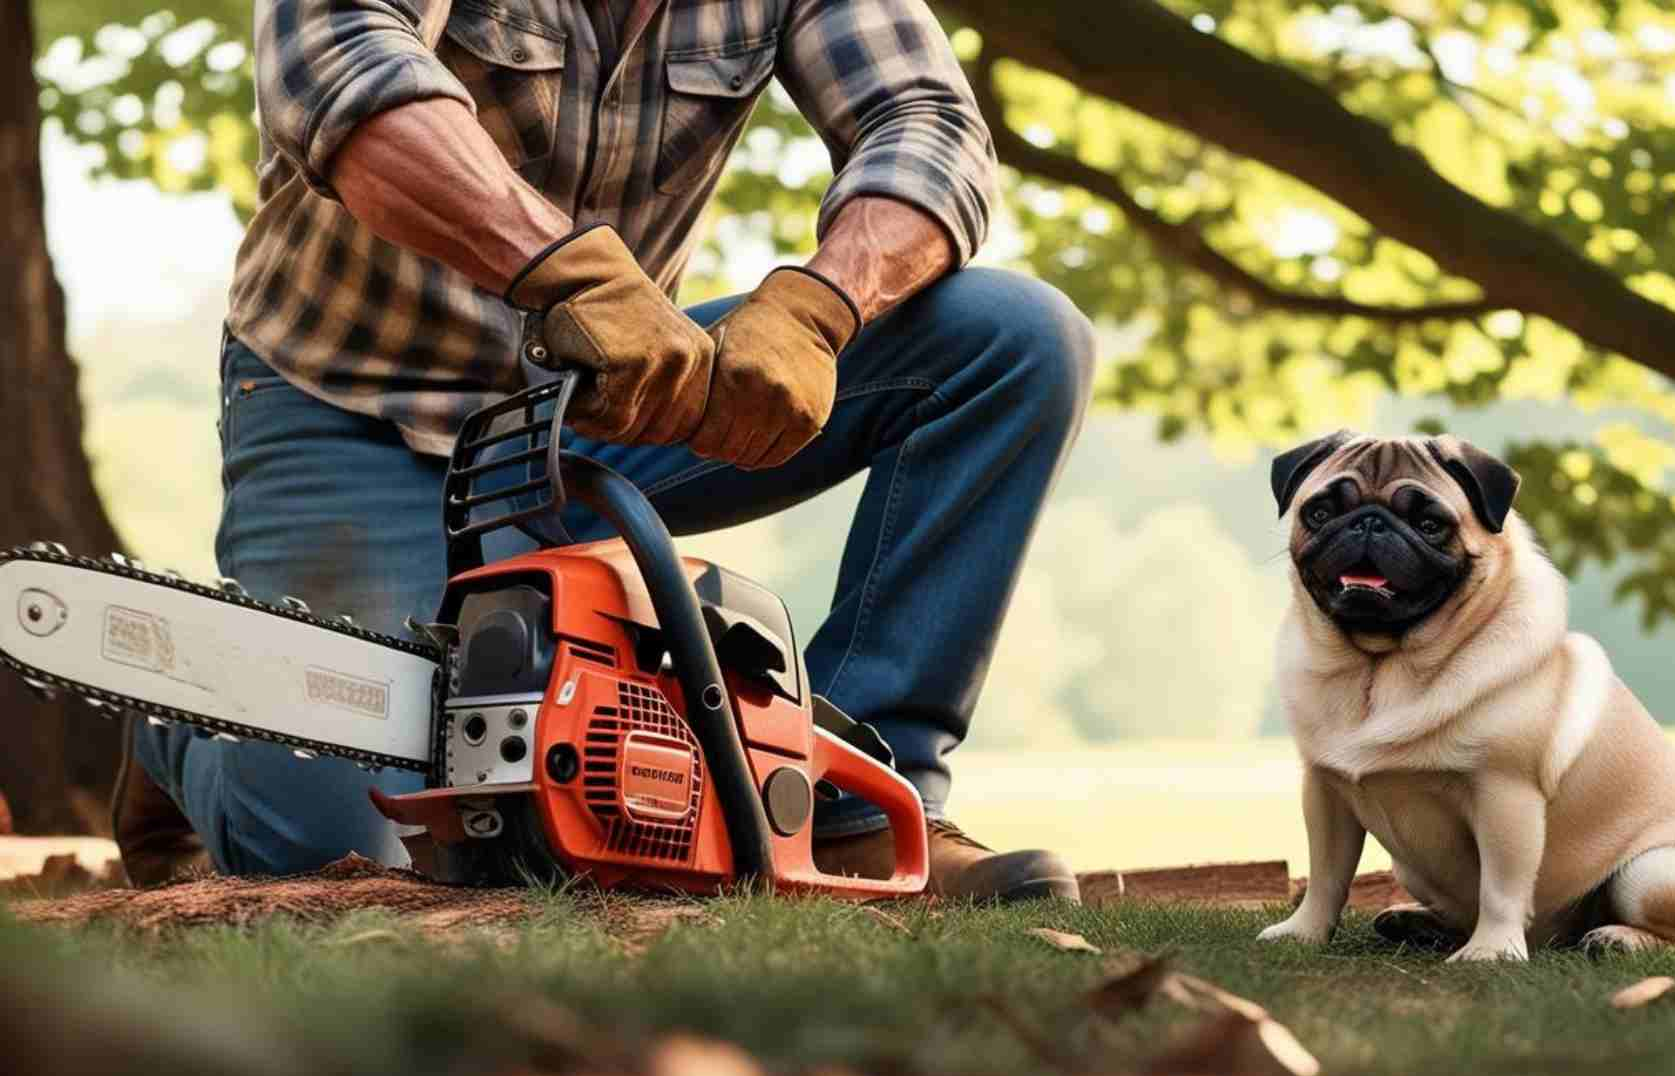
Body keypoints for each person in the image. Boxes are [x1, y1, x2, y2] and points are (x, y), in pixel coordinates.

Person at [117, 0, 1093, 903]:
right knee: (332, 849)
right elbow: (335, 64)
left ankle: (850, 807)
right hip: (353, 403)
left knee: (1013, 341)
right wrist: (566, 272)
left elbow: (930, 124)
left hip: (597, 405)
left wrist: (820, 305)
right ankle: (178, 731)